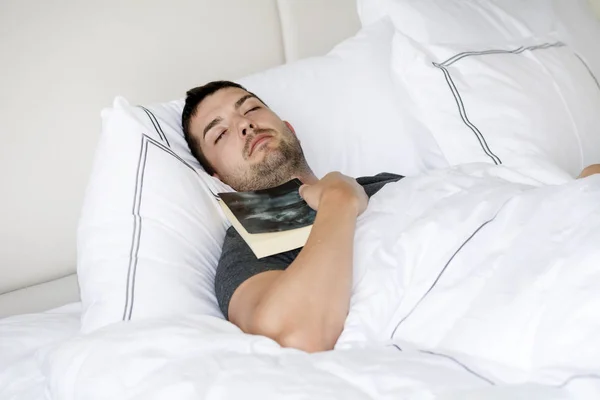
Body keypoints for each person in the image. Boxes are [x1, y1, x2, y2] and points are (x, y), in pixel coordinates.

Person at [182, 80, 600, 353]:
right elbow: (295, 332)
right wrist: (338, 202)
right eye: (219, 133)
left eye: (251, 109)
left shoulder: (390, 183)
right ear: (217, 175)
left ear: (288, 125)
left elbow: (491, 206)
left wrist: (576, 187)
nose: (244, 126)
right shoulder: (249, 241)